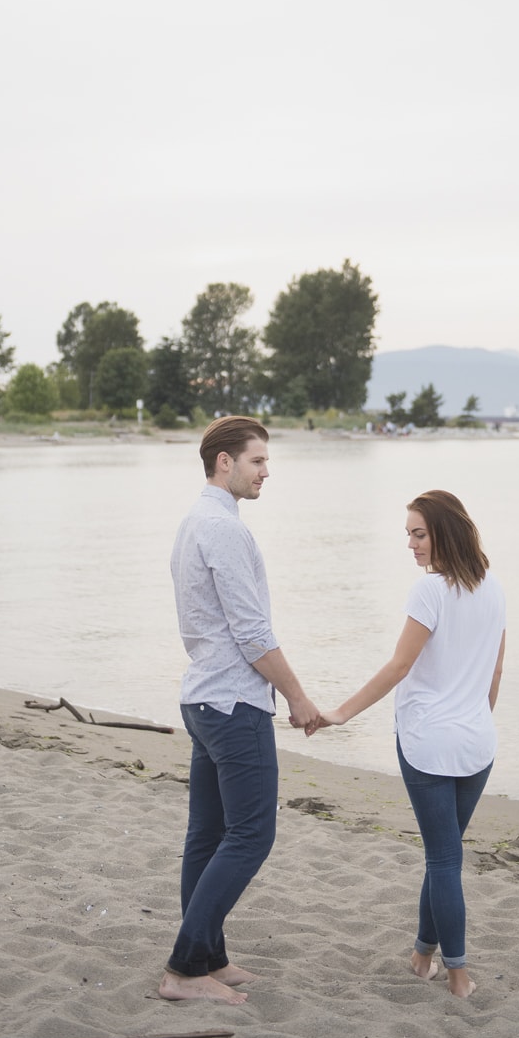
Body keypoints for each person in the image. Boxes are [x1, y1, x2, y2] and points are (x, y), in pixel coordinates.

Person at [311, 489, 506, 999]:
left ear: (444, 532)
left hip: (428, 743)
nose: (412, 544)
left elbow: (400, 666)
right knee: (445, 855)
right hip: (477, 743)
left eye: (418, 534)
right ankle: (423, 957)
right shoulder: (495, 589)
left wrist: (340, 714)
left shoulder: (430, 592)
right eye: (409, 535)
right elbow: (494, 674)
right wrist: (475, 720)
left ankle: (458, 974)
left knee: (444, 860)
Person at [159, 416, 321, 1006]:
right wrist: (298, 698)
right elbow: (252, 634)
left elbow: (196, 622)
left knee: (208, 833)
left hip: (202, 696)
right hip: (232, 702)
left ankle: (209, 957)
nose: (266, 472)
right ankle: (183, 969)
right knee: (252, 834)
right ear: (224, 462)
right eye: (257, 462)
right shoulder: (222, 529)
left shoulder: (191, 524)